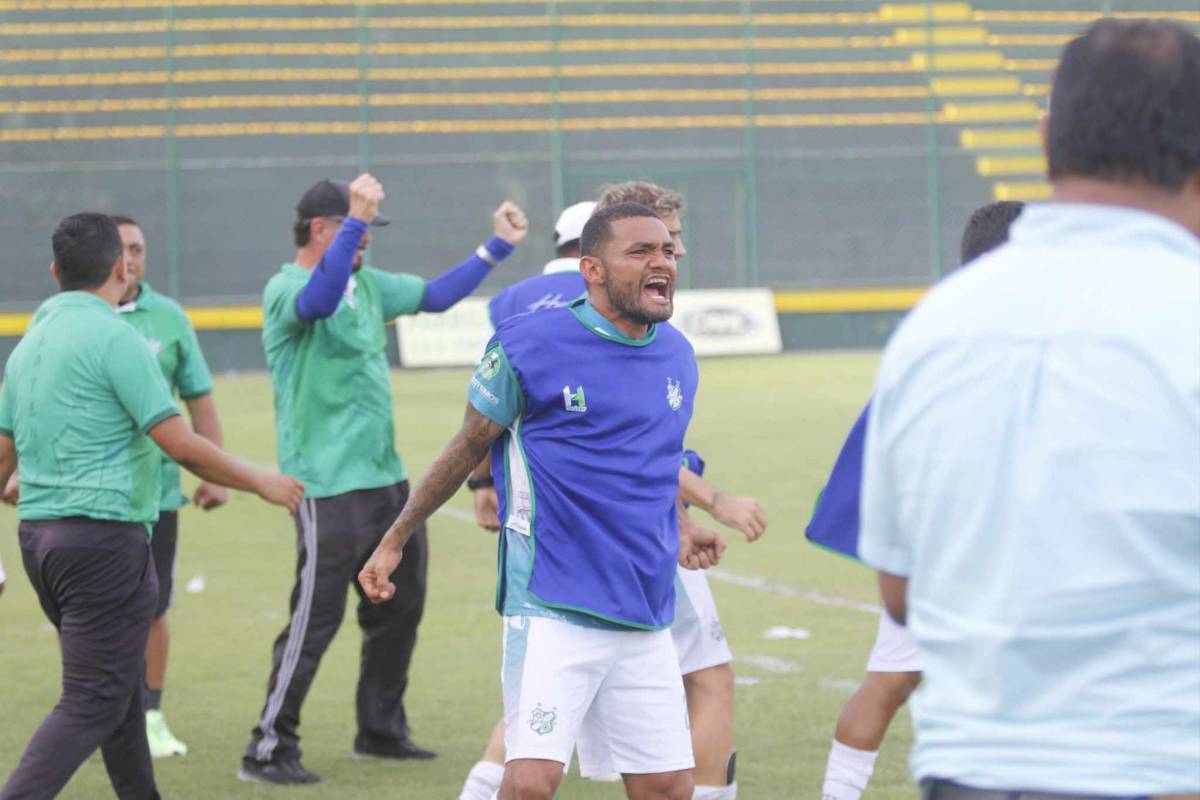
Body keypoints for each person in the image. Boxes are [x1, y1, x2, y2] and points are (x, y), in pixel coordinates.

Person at [859, 19, 1200, 798]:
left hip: (971, 766)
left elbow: (899, 587)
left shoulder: (934, 326)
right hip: (1160, 766)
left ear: (1047, 140)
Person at [360, 202, 726, 800]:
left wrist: (683, 526)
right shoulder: (529, 343)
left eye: (666, 251)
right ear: (592, 269)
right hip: (551, 599)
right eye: (640, 251)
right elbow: (465, 445)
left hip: (644, 602)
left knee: (666, 787)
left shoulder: (677, 355)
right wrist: (395, 538)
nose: (662, 261)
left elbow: (654, 463)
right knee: (531, 782)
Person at [460, 185, 764, 800]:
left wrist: (485, 482)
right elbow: (616, 449)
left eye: (672, 244)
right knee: (710, 677)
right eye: (661, 241)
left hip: (630, 553)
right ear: (593, 260)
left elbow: (500, 422)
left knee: (550, 739)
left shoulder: (529, 307)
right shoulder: (597, 324)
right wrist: (710, 503)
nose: (673, 253)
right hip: (604, 553)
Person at [0, 213, 303, 800]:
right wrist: (259, 480)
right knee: (93, 699)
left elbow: (3, 454)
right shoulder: (118, 338)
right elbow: (179, 442)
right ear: (120, 266)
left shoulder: (29, 341)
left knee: (118, 693)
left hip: (40, 538)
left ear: (56, 271)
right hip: (103, 543)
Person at [240, 174, 530, 785]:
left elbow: (436, 294)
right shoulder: (287, 287)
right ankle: (267, 746)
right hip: (325, 487)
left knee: (399, 611)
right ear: (324, 229)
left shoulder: (367, 285)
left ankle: (379, 730)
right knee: (314, 620)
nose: (366, 241)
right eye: (358, 231)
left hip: (385, 483)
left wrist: (497, 244)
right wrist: (356, 218)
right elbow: (316, 303)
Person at [808, 200, 1024, 800]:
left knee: (891, 680)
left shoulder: (935, 332)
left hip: (935, 550)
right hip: (982, 551)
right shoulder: (996, 335)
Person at [107, 214, 226, 759]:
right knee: (90, 613)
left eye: (139, 247)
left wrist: (214, 473)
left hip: (156, 497)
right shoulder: (70, 317)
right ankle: (99, 710)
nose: (132, 258)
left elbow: (199, 396)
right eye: (122, 249)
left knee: (153, 606)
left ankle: (151, 715)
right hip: (92, 498)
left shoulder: (169, 318)